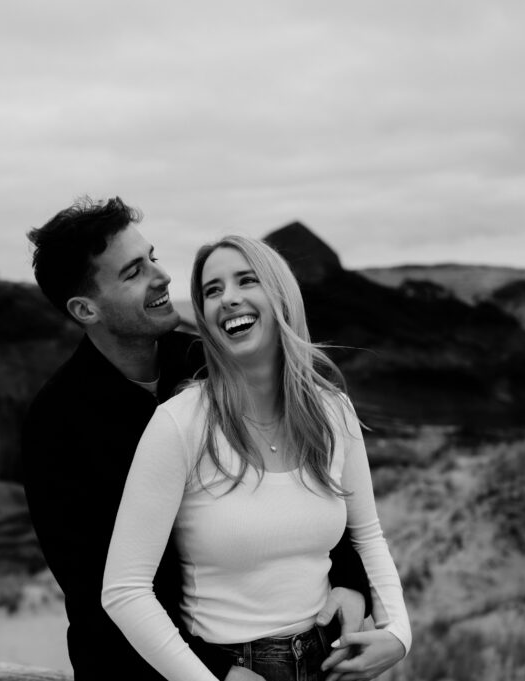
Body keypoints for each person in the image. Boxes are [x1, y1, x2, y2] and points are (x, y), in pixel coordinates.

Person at [22, 198, 375, 681]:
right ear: (86, 309)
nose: (162, 276)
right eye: (133, 272)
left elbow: (302, 481)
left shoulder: (209, 363)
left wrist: (352, 581)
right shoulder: (56, 423)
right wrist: (217, 672)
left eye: (152, 257)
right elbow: (96, 593)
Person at [102, 235, 411, 681]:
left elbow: (368, 535)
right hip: (236, 667)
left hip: (331, 660)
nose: (228, 298)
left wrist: (399, 634)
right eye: (212, 290)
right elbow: (124, 590)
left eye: (247, 281)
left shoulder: (333, 410)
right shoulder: (179, 423)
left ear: (281, 296)